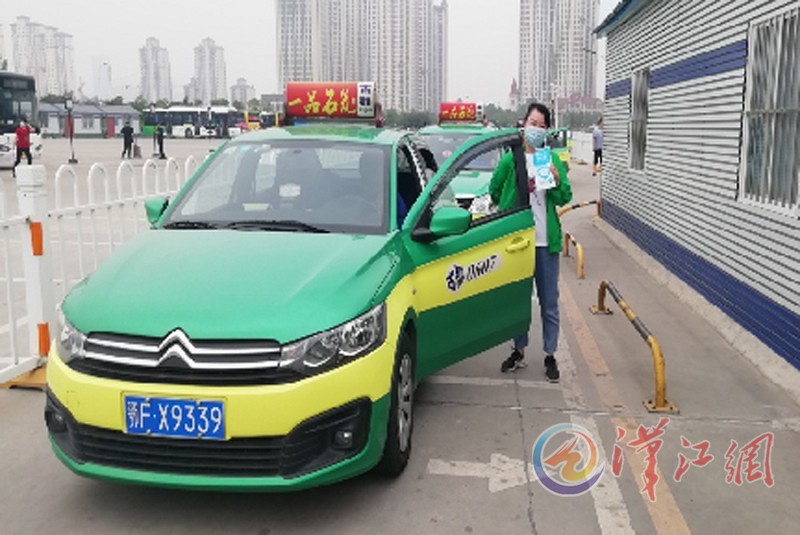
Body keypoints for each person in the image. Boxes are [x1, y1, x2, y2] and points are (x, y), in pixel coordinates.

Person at [489, 102, 572, 381]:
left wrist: (557, 181)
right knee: (518, 301)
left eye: (542, 125)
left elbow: (564, 197)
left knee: (549, 302)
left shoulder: (549, 160)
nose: (536, 129)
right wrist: (510, 207)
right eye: (533, 123)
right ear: (523, 124)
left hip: (545, 243)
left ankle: (550, 354)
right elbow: (494, 190)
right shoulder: (511, 160)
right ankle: (519, 350)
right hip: (519, 244)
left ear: (547, 130)